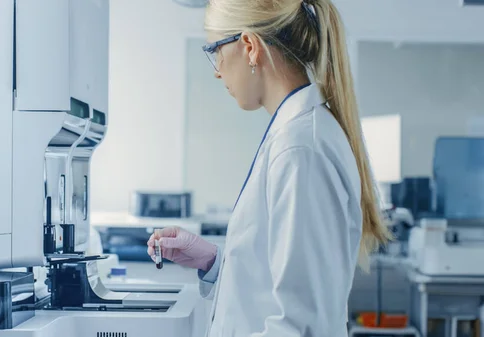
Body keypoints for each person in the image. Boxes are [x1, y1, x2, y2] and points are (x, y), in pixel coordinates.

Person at [147, 0, 391, 335]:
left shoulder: (300, 149)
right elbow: (275, 285)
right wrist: (214, 262)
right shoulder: (295, 135)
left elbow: (302, 325)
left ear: (249, 47)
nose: (217, 70)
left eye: (215, 50)